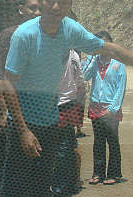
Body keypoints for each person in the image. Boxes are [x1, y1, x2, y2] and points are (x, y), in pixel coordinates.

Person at [2, 0, 133, 197]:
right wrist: (23, 130)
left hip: (49, 123)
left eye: (63, 1)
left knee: (41, 188)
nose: (56, 7)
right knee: (15, 190)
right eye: (50, 1)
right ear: (40, 1)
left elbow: (110, 49)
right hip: (22, 125)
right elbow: (8, 84)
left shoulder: (70, 29)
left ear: (71, 2)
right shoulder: (24, 35)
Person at [0, 0, 40, 197]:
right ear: (21, 9)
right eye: (32, 8)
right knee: (9, 174)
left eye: (40, 8)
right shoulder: (8, 36)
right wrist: (4, 113)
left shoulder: (44, 37)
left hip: (35, 115)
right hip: (11, 118)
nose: (36, 12)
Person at [84, 30, 126, 185]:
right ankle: (98, 174)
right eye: (99, 45)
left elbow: (120, 89)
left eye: (105, 44)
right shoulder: (94, 62)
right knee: (98, 142)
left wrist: (112, 109)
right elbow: (84, 76)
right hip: (95, 107)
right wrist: (91, 57)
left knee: (112, 142)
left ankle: (114, 174)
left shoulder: (118, 64)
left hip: (110, 110)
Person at [51, 48, 86, 196]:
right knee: (66, 146)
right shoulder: (74, 55)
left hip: (55, 104)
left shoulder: (51, 51)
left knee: (59, 148)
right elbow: (80, 81)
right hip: (69, 104)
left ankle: (59, 186)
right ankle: (67, 184)